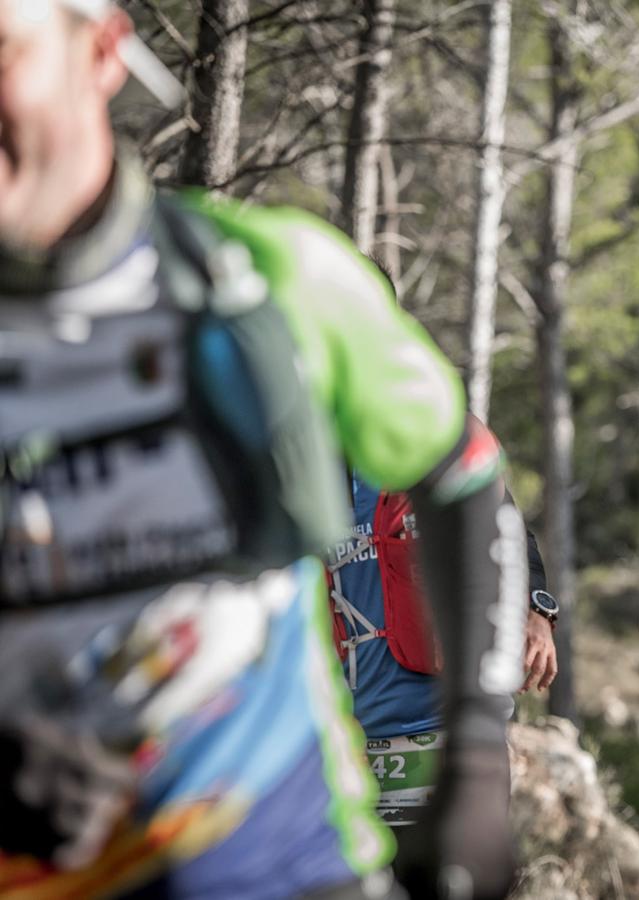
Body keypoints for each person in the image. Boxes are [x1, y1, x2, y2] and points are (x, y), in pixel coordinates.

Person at [0, 2, 523, 897]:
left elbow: (461, 473)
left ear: (101, 50)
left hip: (294, 866)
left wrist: (474, 754)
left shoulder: (266, 280)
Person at [327, 476, 559, 882]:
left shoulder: (429, 450)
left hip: (444, 735)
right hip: (351, 746)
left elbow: (500, 513)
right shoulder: (311, 469)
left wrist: (537, 607)